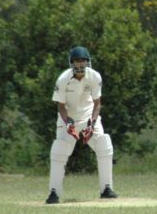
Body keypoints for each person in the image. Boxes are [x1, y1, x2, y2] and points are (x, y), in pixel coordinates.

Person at [45, 46, 117, 204]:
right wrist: (68, 123)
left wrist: (91, 123)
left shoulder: (95, 77)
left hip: (88, 117)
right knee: (59, 150)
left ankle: (106, 188)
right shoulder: (63, 79)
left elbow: (97, 104)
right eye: (77, 61)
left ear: (88, 62)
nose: (80, 64)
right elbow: (61, 106)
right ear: (72, 63)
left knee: (104, 144)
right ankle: (54, 193)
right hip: (68, 119)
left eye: (83, 61)